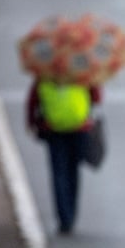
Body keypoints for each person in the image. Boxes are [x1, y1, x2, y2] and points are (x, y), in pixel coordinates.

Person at [26, 78, 102, 235]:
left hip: (53, 129)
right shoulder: (81, 71)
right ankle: (71, 214)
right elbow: (97, 97)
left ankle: (64, 218)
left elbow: (33, 100)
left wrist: (31, 123)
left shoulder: (45, 72)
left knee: (58, 172)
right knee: (73, 170)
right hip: (79, 127)